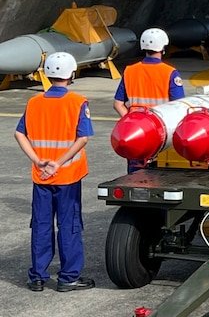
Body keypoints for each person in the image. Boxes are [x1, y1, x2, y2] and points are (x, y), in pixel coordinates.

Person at [14, 52, 95, 292]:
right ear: (71, 73)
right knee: (69, 225)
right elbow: (83, 139)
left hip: (41, 177)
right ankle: (68, 277)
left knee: (41, 225)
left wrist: (38, 160)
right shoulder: (78, 102)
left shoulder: (34, 102)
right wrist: (59, 163)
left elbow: (20, 133)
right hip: (67, 176)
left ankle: (37, 277)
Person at [113, 28, 185, 172]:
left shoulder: (130, 71)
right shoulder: (169, 73)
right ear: (163, 48)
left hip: (137, 134)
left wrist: (131, 122)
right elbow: (179, 106)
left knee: (135, 177)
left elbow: (118, 104)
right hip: (161, 134)